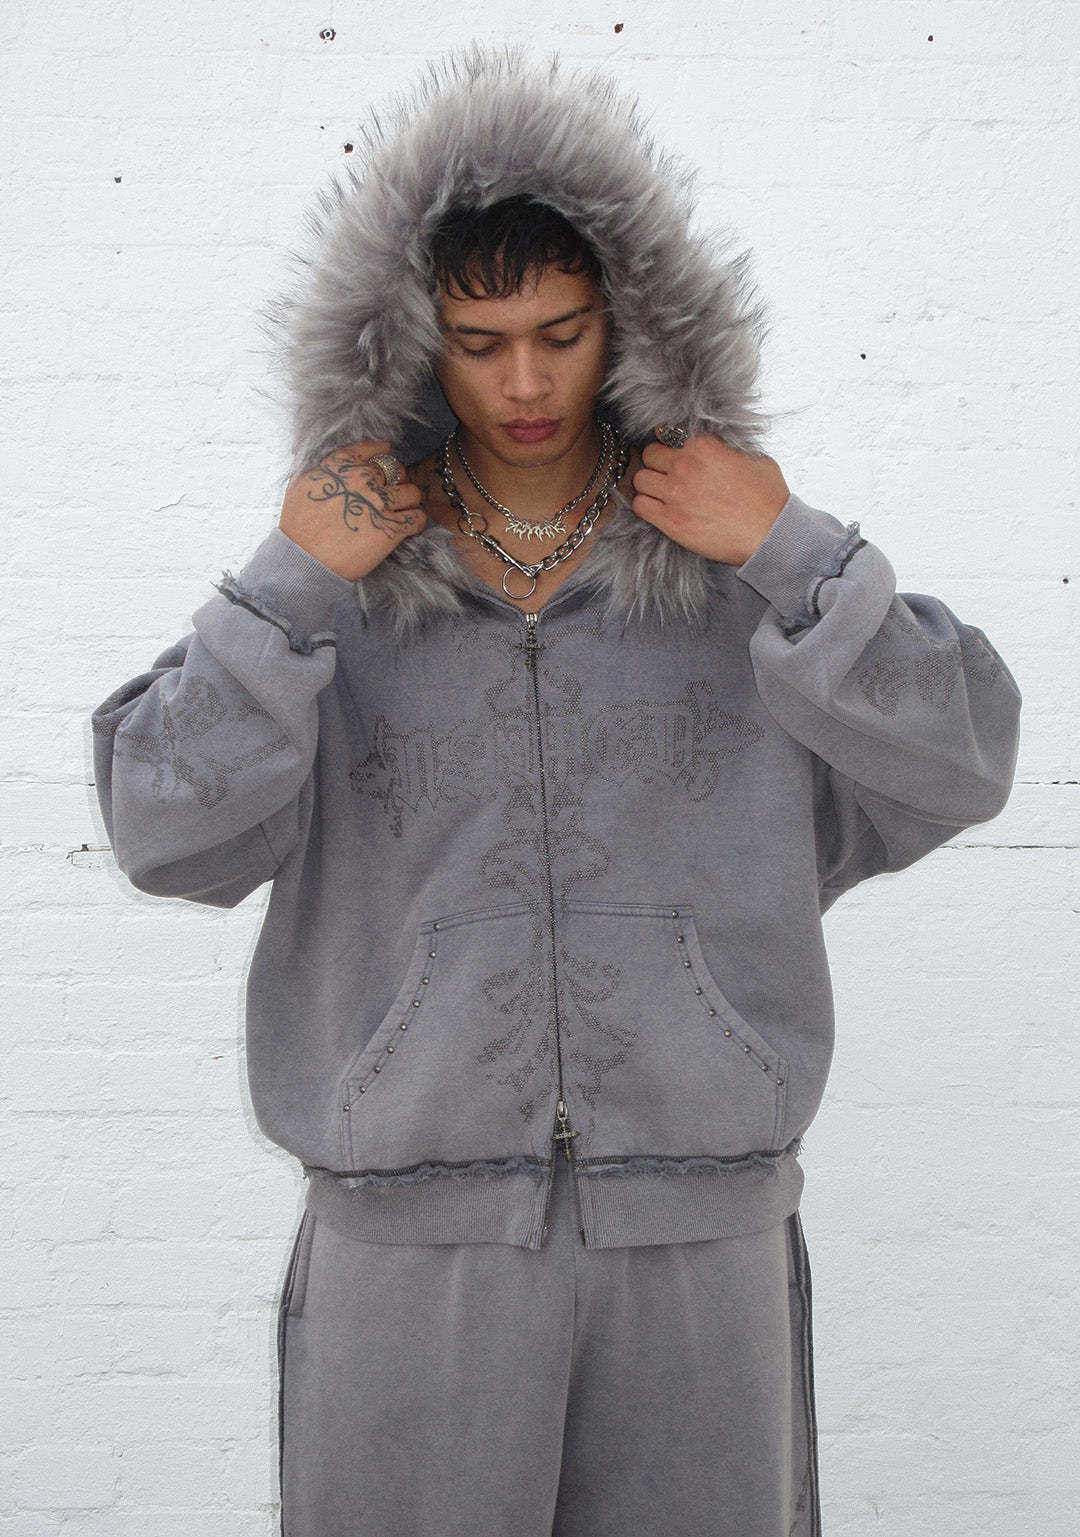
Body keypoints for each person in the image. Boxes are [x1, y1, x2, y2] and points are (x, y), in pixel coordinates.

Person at [90, 41, 1023, 1537]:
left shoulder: (743, 588)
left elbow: (968, 756)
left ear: (630, 325)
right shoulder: (335, 604)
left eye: (562, 333)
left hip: (701, 1240)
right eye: (479, 343)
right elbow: (158, 828)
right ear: (416, 345)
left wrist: (793, 548)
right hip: (410, 1251)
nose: (525, 382)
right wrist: (284, 586)